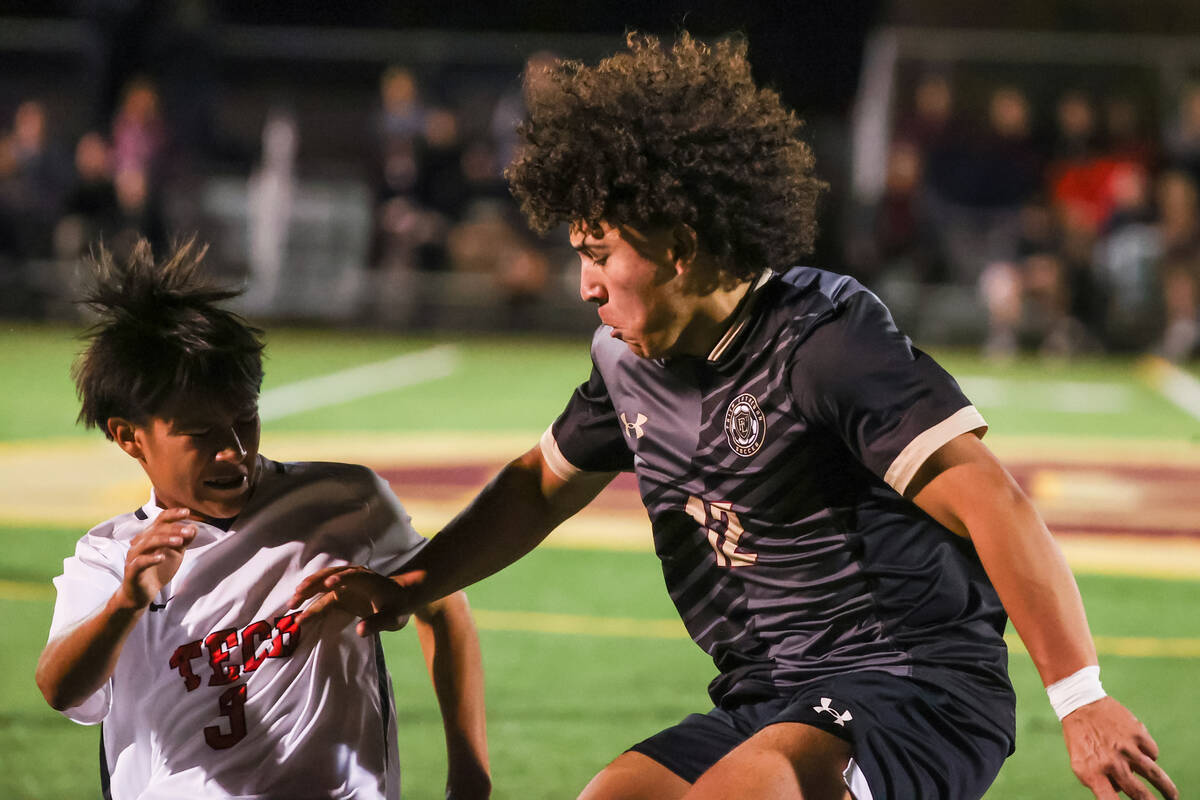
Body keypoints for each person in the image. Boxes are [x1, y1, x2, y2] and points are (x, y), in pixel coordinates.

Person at [293, 33, 1177, 800]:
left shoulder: (823, 343)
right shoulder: (626, 363)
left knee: (751, 792)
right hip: (767, 698)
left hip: (914, 688)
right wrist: (409, 583)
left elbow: (993, 502)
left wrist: (1080, 696)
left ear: (677, 246)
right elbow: (536, 489)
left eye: (599, 254)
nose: (584, 284)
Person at [35, 239, 491, 800]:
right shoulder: (111, 556)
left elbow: (443, 603)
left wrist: (470, 771)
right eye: (199, 433)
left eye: (244, 420)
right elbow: (60, 688)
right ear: (129, 437)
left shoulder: (344, 500)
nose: (232, 450)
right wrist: (125, 603)